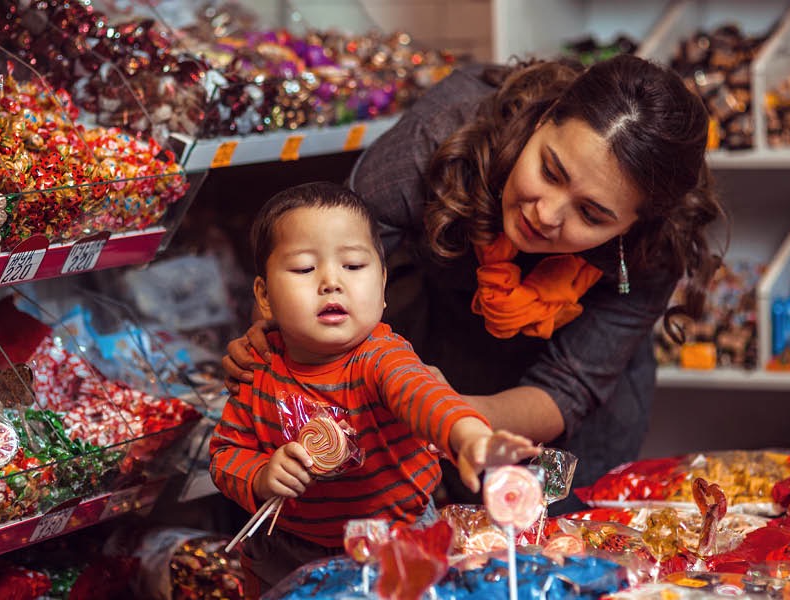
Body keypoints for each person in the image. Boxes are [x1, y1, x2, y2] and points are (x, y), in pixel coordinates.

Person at [223, 55, 725, 504]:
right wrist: (278, 344)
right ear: (544, 119)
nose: (546, 214)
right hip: (443, 348)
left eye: (591, 214)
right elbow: (315, 251)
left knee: (558, 538)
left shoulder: (654, 247)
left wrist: (442, 414)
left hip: (555, 412)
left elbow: (567, 388)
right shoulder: (436, 142)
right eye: (550, 171)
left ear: (634, 225)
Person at [209, 182, 539, 594]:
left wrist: (468, 435)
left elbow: (423, 396)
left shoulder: (381, 357)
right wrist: (259, 476)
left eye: (352, 266)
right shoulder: (256, 367)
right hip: (287, 547)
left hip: (395, 539)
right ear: (265, 297)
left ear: (382, 285)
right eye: (304, 269)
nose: (331, 281)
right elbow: (225, 453)